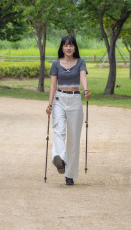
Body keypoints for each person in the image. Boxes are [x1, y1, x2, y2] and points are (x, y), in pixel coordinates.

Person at [46, 35, 91, 186]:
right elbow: (53, 85)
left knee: (73, 138)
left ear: (75, 47)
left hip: (75, 100)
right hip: (59, 98)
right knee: (58, 130)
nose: (69, 48)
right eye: (66, 45)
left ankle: (69, 173)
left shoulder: (80, 62)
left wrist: (86, 89)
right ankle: (60, 159)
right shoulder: (55, 64)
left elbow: (83, 77)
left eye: (71, 45)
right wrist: (50, 104)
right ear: (62, 47)